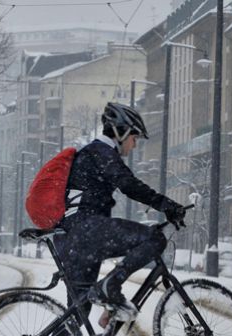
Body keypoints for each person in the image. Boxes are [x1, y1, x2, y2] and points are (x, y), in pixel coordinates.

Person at [54, 102, 187, 324]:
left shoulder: (92, 154)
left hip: (74, 237)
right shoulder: (101, 152)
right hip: (87, 230)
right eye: (134, 138)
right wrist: (166, 205)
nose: (134, 145)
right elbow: (127, 184)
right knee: (154, 238)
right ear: (120, 132)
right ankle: (110, 285)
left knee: (76, 319)